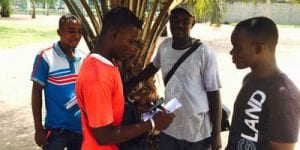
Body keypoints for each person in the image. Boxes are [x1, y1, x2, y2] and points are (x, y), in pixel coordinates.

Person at [125, 3, 222, 150]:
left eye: (185, 21)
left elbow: (214, 94)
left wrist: (216, 133)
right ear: (170, 21)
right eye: (175, 20)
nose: (179, 25)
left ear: (193, 23)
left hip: (196, 131)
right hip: (170, 126)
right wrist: (131, 82)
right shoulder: (165, 46)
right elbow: (153, 66)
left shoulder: (204, 53)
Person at [75, 7, 174, 150]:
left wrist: (135, 108)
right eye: (131, 42)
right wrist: (152, 124)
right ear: (115, 34)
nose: (133, 49)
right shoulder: (97, 76)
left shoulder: (107, 65)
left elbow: (110, 110)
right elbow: (104, 136)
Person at [226, 16, 300, 150]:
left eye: (238, 48)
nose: (231, 52)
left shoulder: (284, 96)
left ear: (258, 49)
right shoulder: (249, 79)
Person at [31, 14, 85, 149]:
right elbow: (36, 92)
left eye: (79, 31)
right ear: (59, 32)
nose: (76, 36)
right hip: (56, 130)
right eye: (71, 31)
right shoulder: (45, 56)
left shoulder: (83, 58)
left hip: (79, 129)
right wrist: (38, 129)